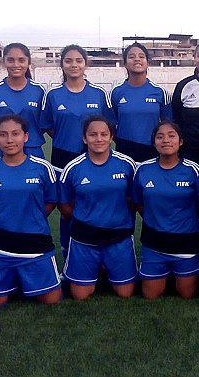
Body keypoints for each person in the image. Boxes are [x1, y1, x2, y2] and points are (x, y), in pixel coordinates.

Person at [0, 114, 62, 309]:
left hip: (35, 243)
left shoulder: (43, 168)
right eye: (3, 135)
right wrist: (1, 223)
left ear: (26, 137)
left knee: (51, 300)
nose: (10, 140)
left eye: (15, 134)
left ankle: (23, 279)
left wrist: (31, 218)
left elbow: (50, 201)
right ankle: (12, 280)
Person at [41, 44, 115, 253]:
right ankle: (68, 251)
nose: (74, 65)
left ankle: (101, 251)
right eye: (69, 61)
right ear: (62, 64)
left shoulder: (99, 93)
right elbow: (47, 126)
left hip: (94, 158)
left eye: (78, 60)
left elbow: (109, 125)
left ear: (85, 64)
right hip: (62, 158)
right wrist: (67, 138)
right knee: (67, 209)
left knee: (96, 204)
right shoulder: (53, 95)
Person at [59, 116, 137, 300]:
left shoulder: (127, 164)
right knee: (80, 295)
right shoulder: (73, 168)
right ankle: (94, 268)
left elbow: (133, 200)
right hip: (84, 238)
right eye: (93, 134)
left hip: (118, 236)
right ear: (85, 138)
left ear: (111, 138)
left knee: (125, 294)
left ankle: (107, 267)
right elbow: (64, 205)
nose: (99, 139)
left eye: (104, 134)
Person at [134, 121, 199, 300]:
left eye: (171, 136)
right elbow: (139, 203)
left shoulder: (193, 170)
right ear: (154, 142)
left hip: (186, 241)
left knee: (187, 294)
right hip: (154, 241)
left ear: (181, 141)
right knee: (151, 295)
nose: (166, 140)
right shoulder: (143, 170)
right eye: (160, 136)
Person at [0, 43, 46, 160]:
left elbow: (44, 124)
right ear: (4, 62)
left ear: (28, 62)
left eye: (21, 60)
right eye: (10, 60)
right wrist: (4, 139)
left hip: (32, 150)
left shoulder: (40, 91)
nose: (16, 65)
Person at [112, 42, 172, 162]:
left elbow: (168, 125)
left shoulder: (160, 92)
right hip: (124, 149)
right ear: (125, 63)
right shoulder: (116, 92)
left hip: (152, 150)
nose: (137, 59)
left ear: (147, 62)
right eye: (132, 56)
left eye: (141, 56)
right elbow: (111, 125)